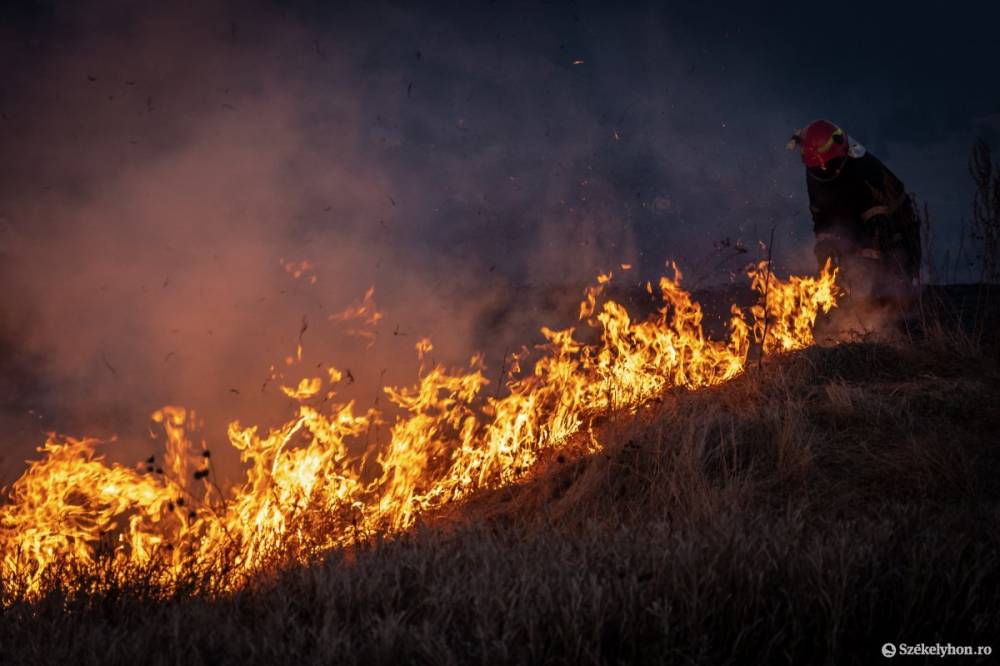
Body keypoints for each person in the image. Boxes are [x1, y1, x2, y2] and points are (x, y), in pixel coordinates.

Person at [788, 119, 921, 312]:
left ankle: (890, 329)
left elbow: (879, 227)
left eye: (826, 166)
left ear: (840, 153)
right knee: (848, 289)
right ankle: (857, 322)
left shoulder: (866, 171)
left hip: (896, 232)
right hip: (856, 228)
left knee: (892, 294)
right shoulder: (815, 171)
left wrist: (865, 268)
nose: (822, 170)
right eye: (817, 168)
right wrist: (825, 247)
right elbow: (822, 217)